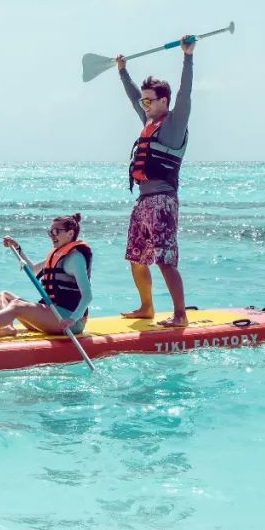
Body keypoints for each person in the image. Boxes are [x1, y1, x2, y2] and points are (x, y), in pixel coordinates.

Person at [115, 34, 194, 327]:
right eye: (143, 100)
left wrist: (188, 56)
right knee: (136, 257)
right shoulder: (148, 120)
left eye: (149, 100)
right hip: (143, 200)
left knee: (164, 259)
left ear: (163, 101)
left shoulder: (174, 124)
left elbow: (185, 93)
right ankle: (146, 307)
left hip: (162, 201)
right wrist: (122, 71)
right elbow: (133, 95)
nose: (144, 104)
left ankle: (180, 315)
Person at [0, 214, 92, 344]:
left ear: (70, 233)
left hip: (69, 321)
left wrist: (72, 319)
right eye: (50, 232)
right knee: (4, 296)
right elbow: (32, 269)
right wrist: (17, 248)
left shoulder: (75, 258)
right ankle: (7, 327)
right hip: (52, 315)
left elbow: (87, 296)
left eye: (56, 231)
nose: (51, 235)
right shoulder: (57, 255)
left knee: (18, 305)